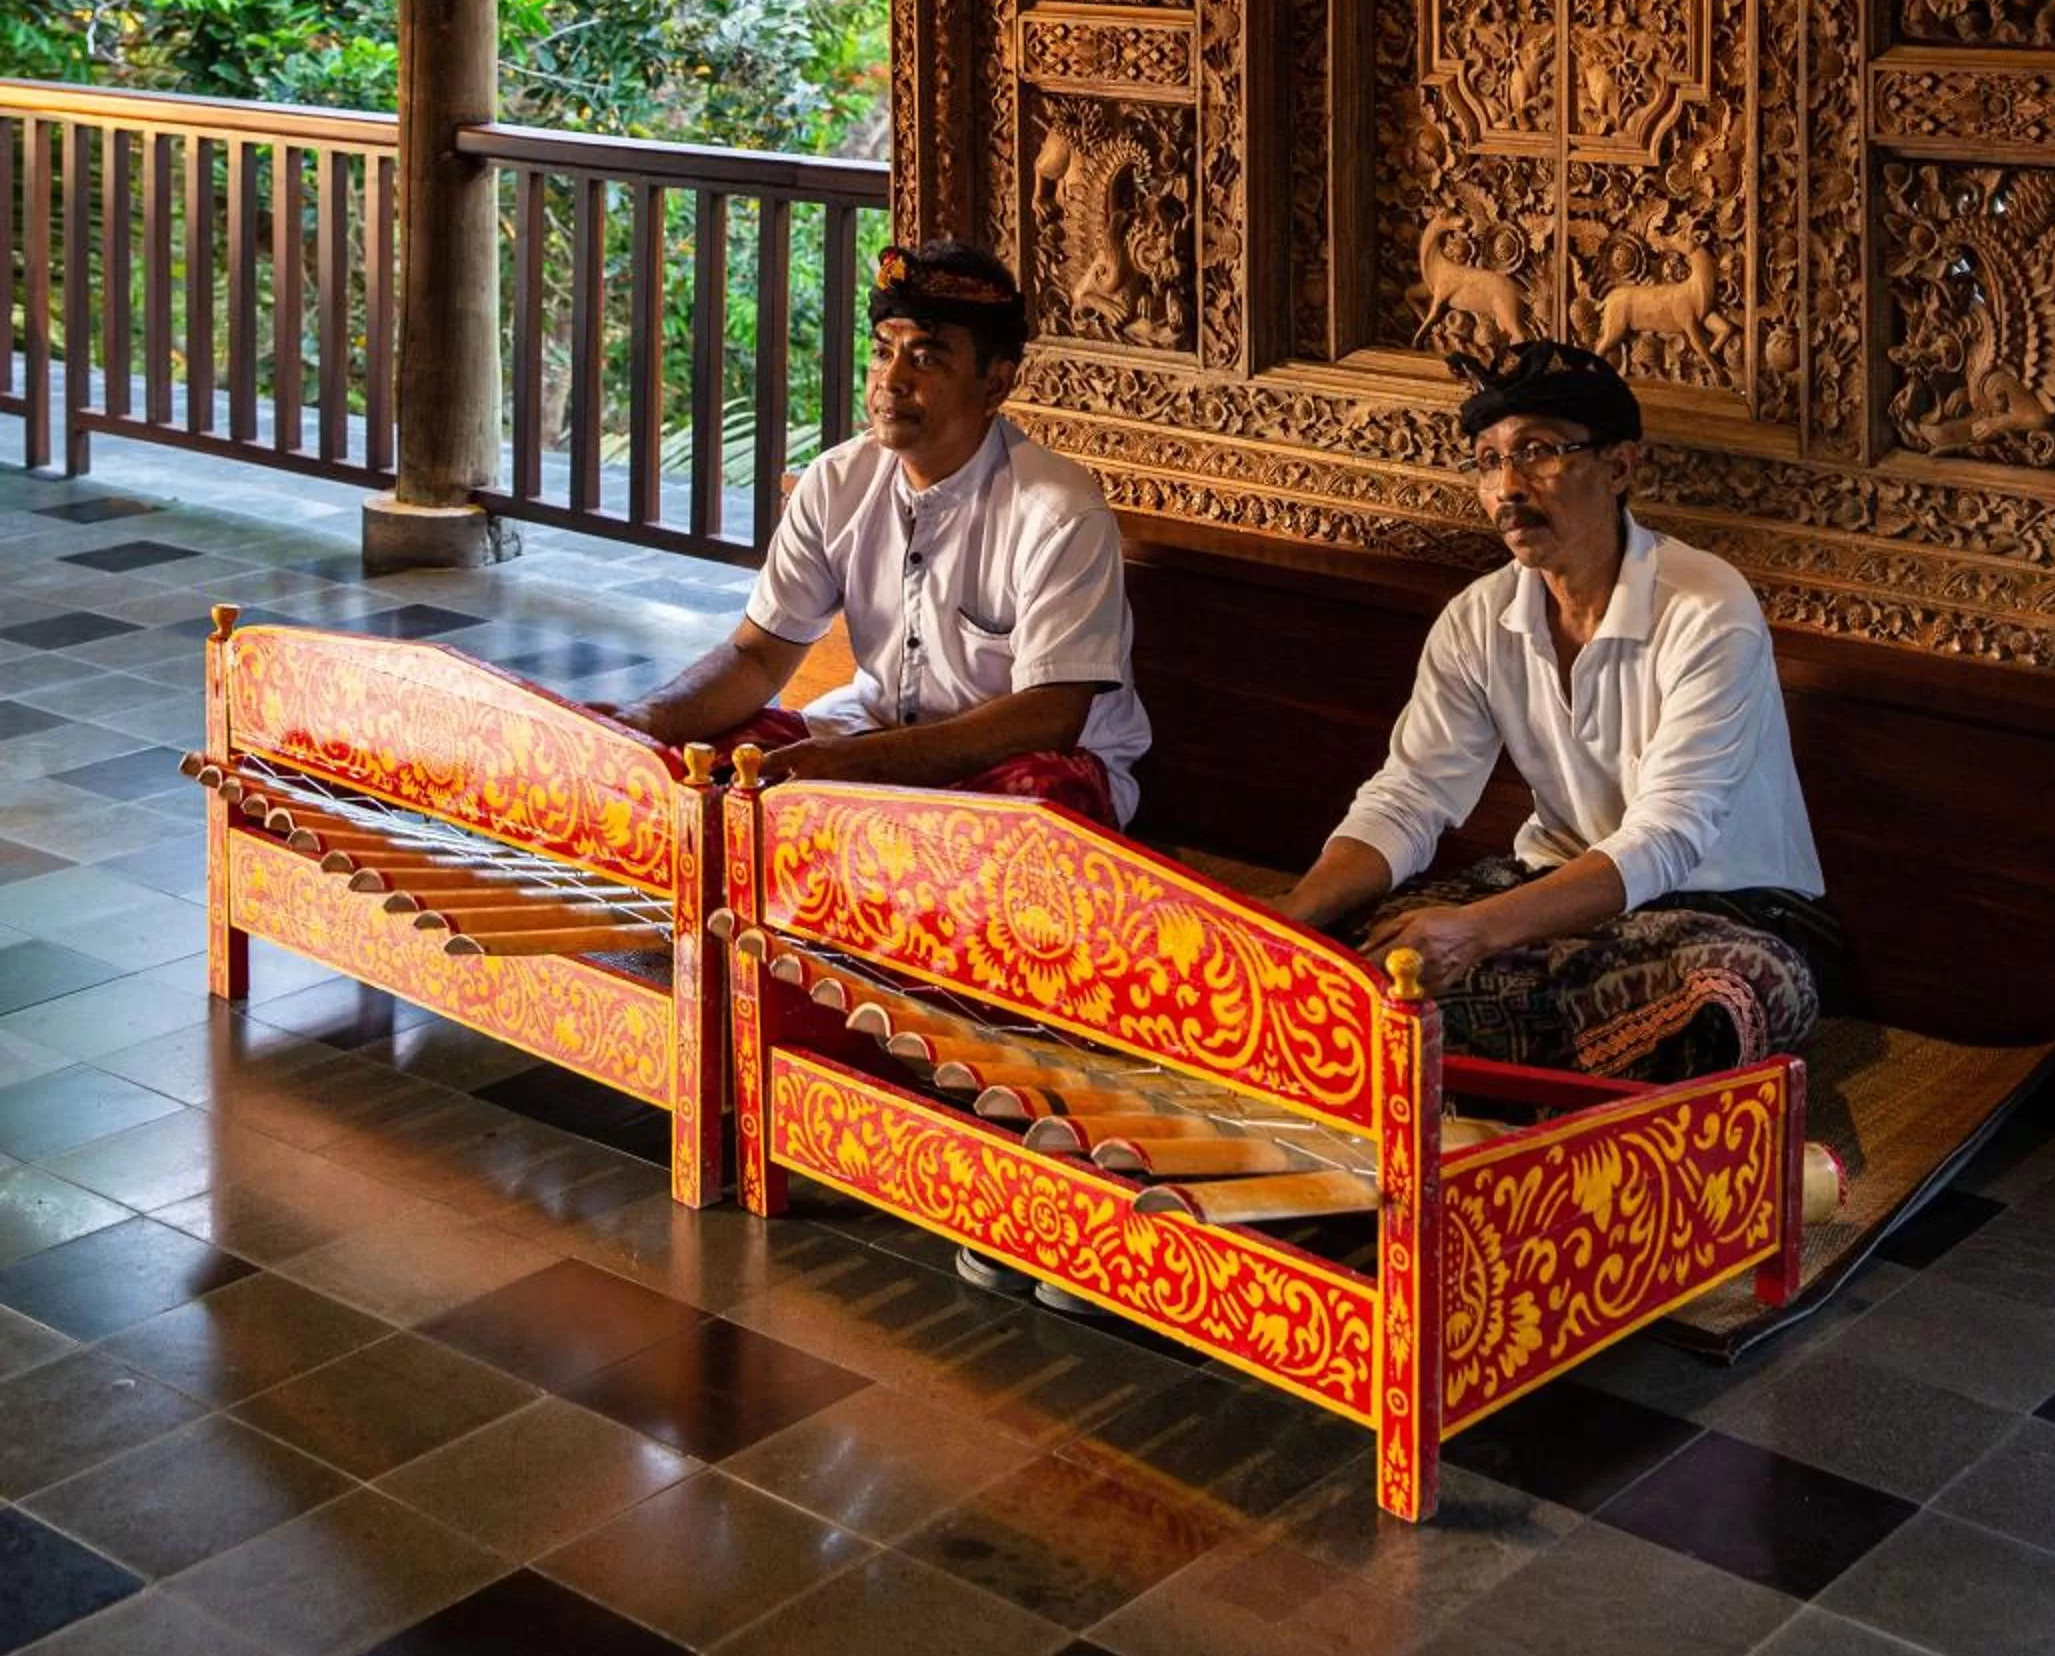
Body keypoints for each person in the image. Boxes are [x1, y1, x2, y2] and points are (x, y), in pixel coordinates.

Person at [1274, 337, 1839, 1079]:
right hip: (1547, 887)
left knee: (1739, 991)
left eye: (1538, 452)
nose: (1508, 485)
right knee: (1343, 945)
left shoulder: (1707, 606)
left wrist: (1475, 934)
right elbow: (1410, 797)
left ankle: (1423, 1073)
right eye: (1488, 460)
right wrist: (1292, 917)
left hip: (1726, 909)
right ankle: (1477, 1077)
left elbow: (1667, 838)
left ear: (1620, 466)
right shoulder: (1479, 617)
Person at [612, 238, 1149, 829]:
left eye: (926, 358)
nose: (891, 381)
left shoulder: (1058, 513)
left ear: (995, 385)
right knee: (701, 772)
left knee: (1026, 816)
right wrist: (639, 722)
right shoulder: (836, 482)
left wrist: (861, 765)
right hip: (866, 733)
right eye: (881, 352)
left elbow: (1048, 716)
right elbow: (758, 657)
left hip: (1021, 760)